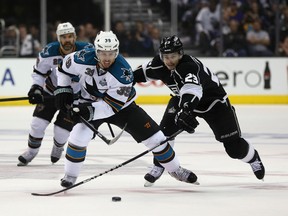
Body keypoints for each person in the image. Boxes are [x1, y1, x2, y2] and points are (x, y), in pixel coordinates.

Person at [53, 30, 199, 188]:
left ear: (117, 51)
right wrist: (63, 89)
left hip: (123, 107)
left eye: (111, 53)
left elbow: (110, 107)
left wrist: (85, 111)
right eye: (103, 53)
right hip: (88, 102)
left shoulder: (123, 73)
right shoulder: (80, 58)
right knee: (77, 137)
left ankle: (175, 170)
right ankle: (70, 175)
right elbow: (63, 69)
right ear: (96, 51)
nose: (107, 58)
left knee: (157, 139)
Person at [133, 35, 265, 187]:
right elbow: (135, 75)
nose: (169, 61)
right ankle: (160, 164)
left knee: (234, 148)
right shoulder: (158, 64)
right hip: (184, 101)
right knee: (164, 134)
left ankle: (253, 158)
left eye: (173, 56)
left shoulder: (188, 66)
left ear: (180, 54)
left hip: (214, 103)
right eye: (166, 57)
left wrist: (186, 109)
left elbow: (192, 89)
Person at [17, 22, 93, 166]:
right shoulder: (49, 52)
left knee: (61, 132)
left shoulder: (87, 52)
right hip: (51, 93)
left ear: (75, 37)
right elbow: (39, 73)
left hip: (73, 97)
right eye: (63, 37)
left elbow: (96, 73)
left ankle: (58, 147)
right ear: (58, 38)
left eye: (70, 36)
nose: (67, 40)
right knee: (37, 125)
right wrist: (36, 88)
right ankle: (31, 152)